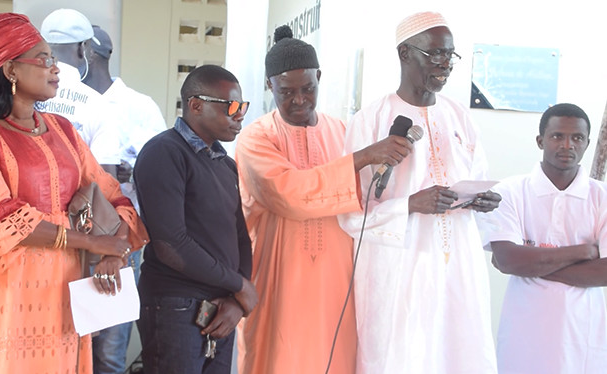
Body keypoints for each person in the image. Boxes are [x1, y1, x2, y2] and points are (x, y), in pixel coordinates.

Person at [0, 13, 148, 374]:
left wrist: (114, 253)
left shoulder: (63, 129)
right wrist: (90, 243)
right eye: (44, 59)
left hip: (60, 289)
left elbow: (112, 195)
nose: (55, 68)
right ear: (10, 70)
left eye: (55, 59)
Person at [235, 25, 413, 374]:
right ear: (269, 86)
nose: (298, 99)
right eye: (286, 91)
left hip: (339, 281)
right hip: (277, 279)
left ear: (320, 78)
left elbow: (368, 195)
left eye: (308, 89)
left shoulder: (343, 131)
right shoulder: (256, 138)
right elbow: (288, 194)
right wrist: (362, 157)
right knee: (275, 358)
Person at [338, 11, 501, 374]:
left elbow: (479, 176)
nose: (445, 64)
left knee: (460, 353)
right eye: (436, 54)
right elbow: (350, 212)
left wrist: (483, 200)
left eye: (450, 55)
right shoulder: (371, 120)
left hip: (458, 264)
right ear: (405, 54)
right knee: (402, 358)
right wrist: (410, 204)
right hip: (399, 269)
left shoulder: (460, 116)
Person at [134, 64, 257, 374]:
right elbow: (171, 244)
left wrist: (236, 298)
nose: (239, 115)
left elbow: (239, 235)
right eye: (231, 106)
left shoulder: (224, 164)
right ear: (196, 105)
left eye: (242, 106)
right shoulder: (164, 153)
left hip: (220, 307)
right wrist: (238, 285)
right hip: (176, 306)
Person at [487, 103, 607, 374]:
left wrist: (532, 263)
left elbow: (605, 273)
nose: (567, 145)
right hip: (524, 334)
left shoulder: (602, 197)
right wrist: (583, 251)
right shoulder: (509, 191)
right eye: (557, 136)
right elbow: (508, 260)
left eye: (577, 138)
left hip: (583, 336)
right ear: (540, 141)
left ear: (588, 143)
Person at [82, 25, 166, 374]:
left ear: (86, 52)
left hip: (120, 240)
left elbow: (163, 169)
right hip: (66, 241)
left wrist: (129, 170)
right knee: (72, 347)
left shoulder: (137, 106)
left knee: (108, 354)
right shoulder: (58, 99)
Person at [39, 8, 121, 177]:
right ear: (83, 48)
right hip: (76, 200)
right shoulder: (99, 105)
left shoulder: (22, 96)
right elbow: (105, 179)